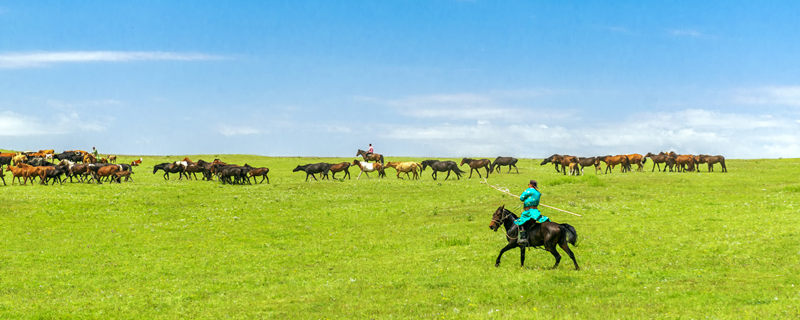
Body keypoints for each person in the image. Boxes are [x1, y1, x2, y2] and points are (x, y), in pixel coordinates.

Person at [515, 180, 550, 246]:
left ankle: (523, 239)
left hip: (528, 212)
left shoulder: (528, 190)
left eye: (529, 184)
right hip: (535, 212)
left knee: (520, 222)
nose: (528, 185)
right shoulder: (538, 193)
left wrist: (525, 200)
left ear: (531, 185)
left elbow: (521, 198)